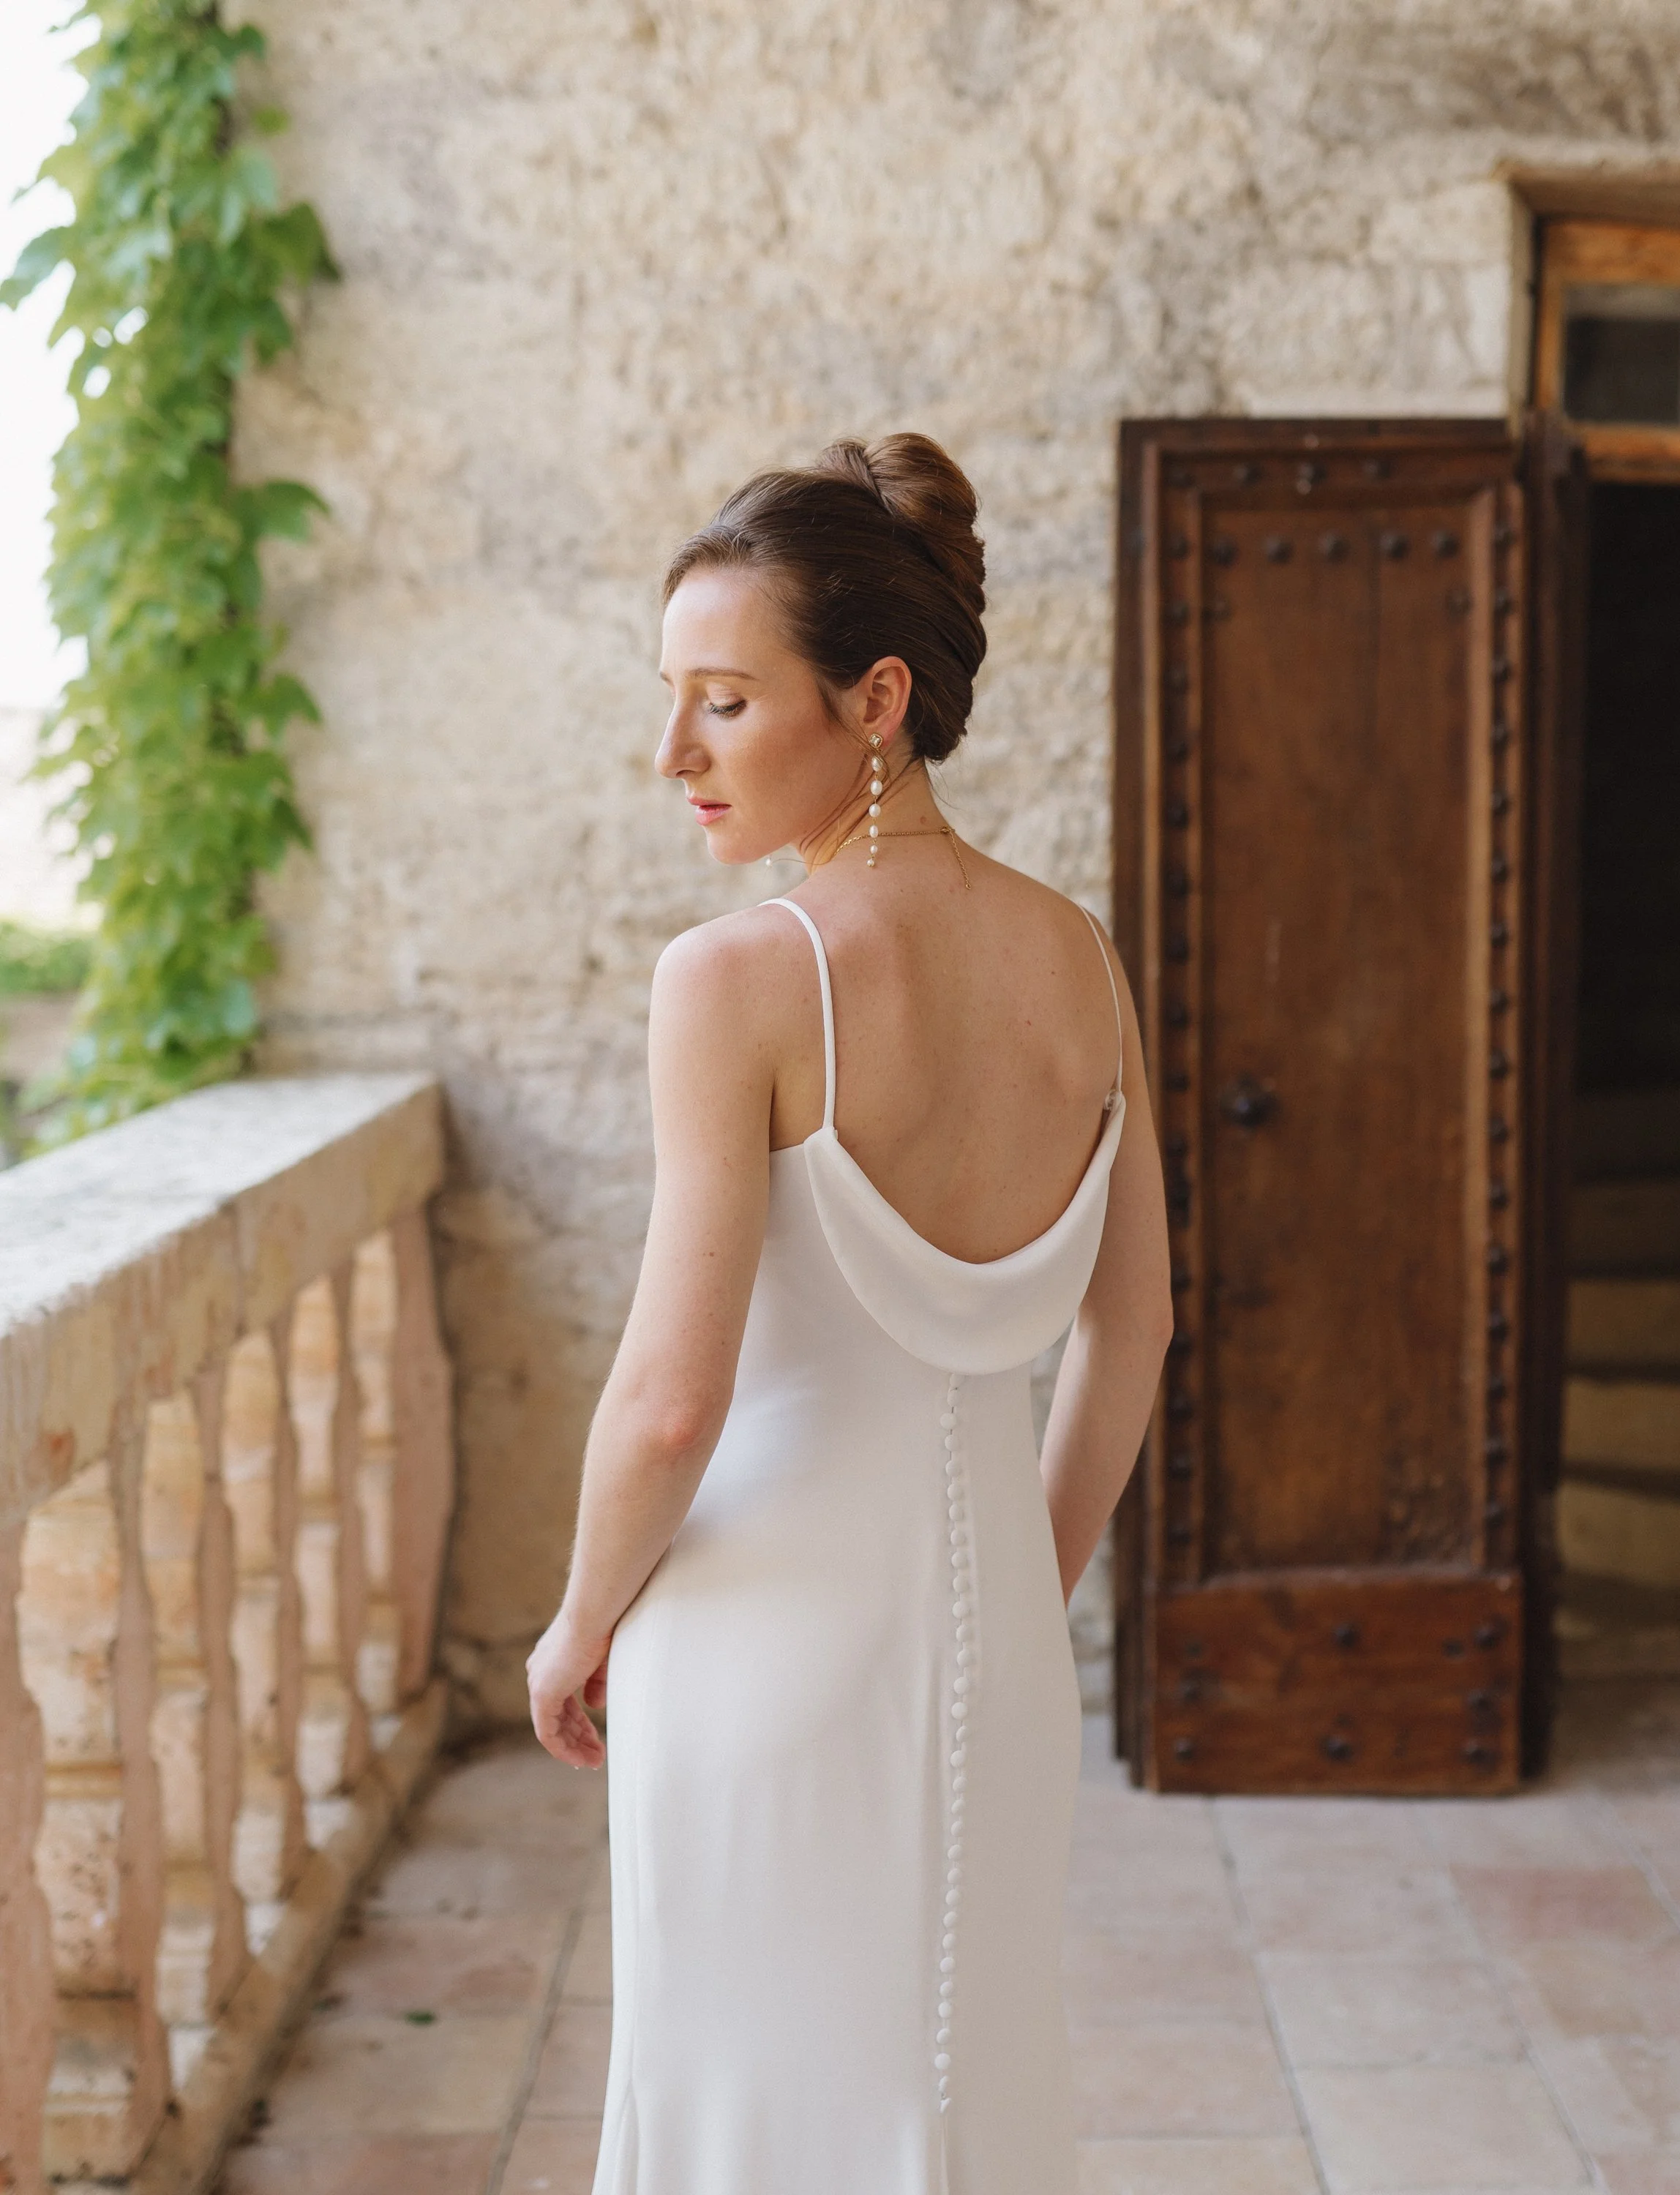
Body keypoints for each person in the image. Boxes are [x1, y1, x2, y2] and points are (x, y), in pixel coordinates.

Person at [525, 433, 1173, 2194]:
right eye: (674, 698)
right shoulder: (1084, 960)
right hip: (996, 1658)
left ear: (876, 698)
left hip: (761, 1648)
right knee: (961, 2102)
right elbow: (1135, 1332)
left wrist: (575, 1626)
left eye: (726, 703)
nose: (675, 753)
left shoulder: (737, 978)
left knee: (749, 2112)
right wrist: (1019, 1586)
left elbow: (671, 1402)